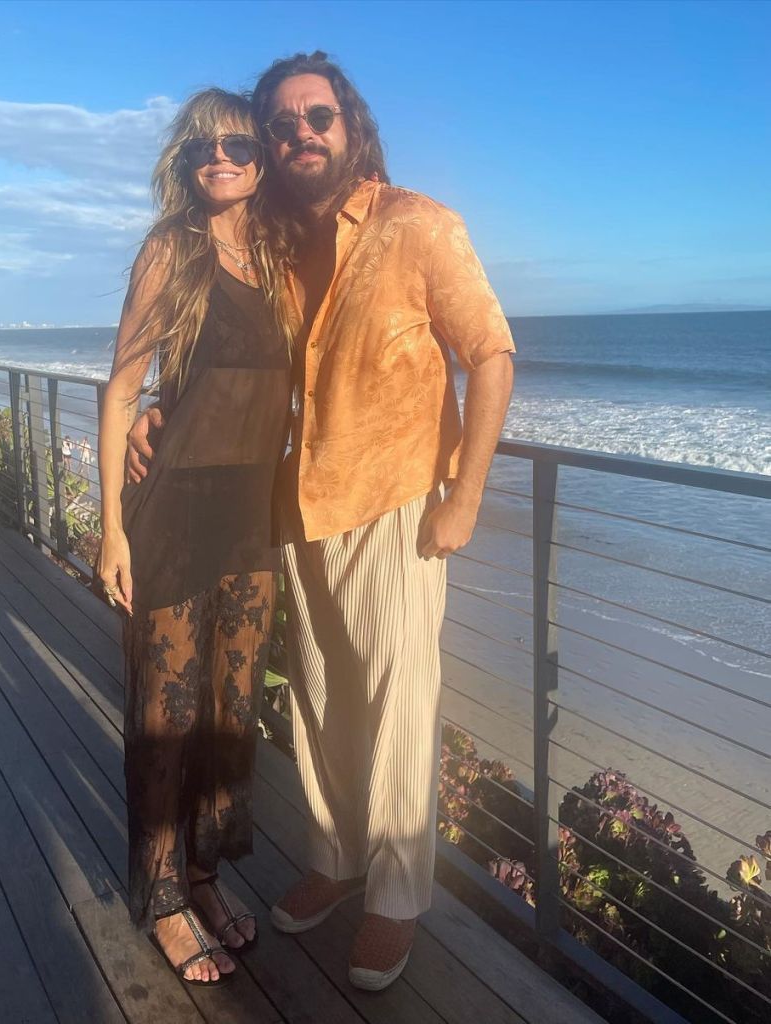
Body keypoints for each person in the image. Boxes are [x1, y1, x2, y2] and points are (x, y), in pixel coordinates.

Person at [127, 52, 515, 991]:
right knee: (317, 702)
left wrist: (464, 496)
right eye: (283, 122)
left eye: (318, 117)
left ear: (351, 128)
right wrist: (155, 401)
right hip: (298, 507)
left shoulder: (420, 225)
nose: (300, 132)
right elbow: (224, 346)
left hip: (397, 504)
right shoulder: (276, 242)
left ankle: (393, 900)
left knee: (397, 705)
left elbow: (493, 356)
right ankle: (338, 861)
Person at [97, 88, 293, 987]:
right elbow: (118, 388)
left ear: (263, 157)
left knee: (228, 712)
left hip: (250, 519)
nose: (222, 155)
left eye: (239, 142)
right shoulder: (171, 251)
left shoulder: (279, 254)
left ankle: (205, 876)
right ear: (188, 157)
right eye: (205, 144)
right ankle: (164, 896)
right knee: (166, 719)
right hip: (173, 511)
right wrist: (110, 532)